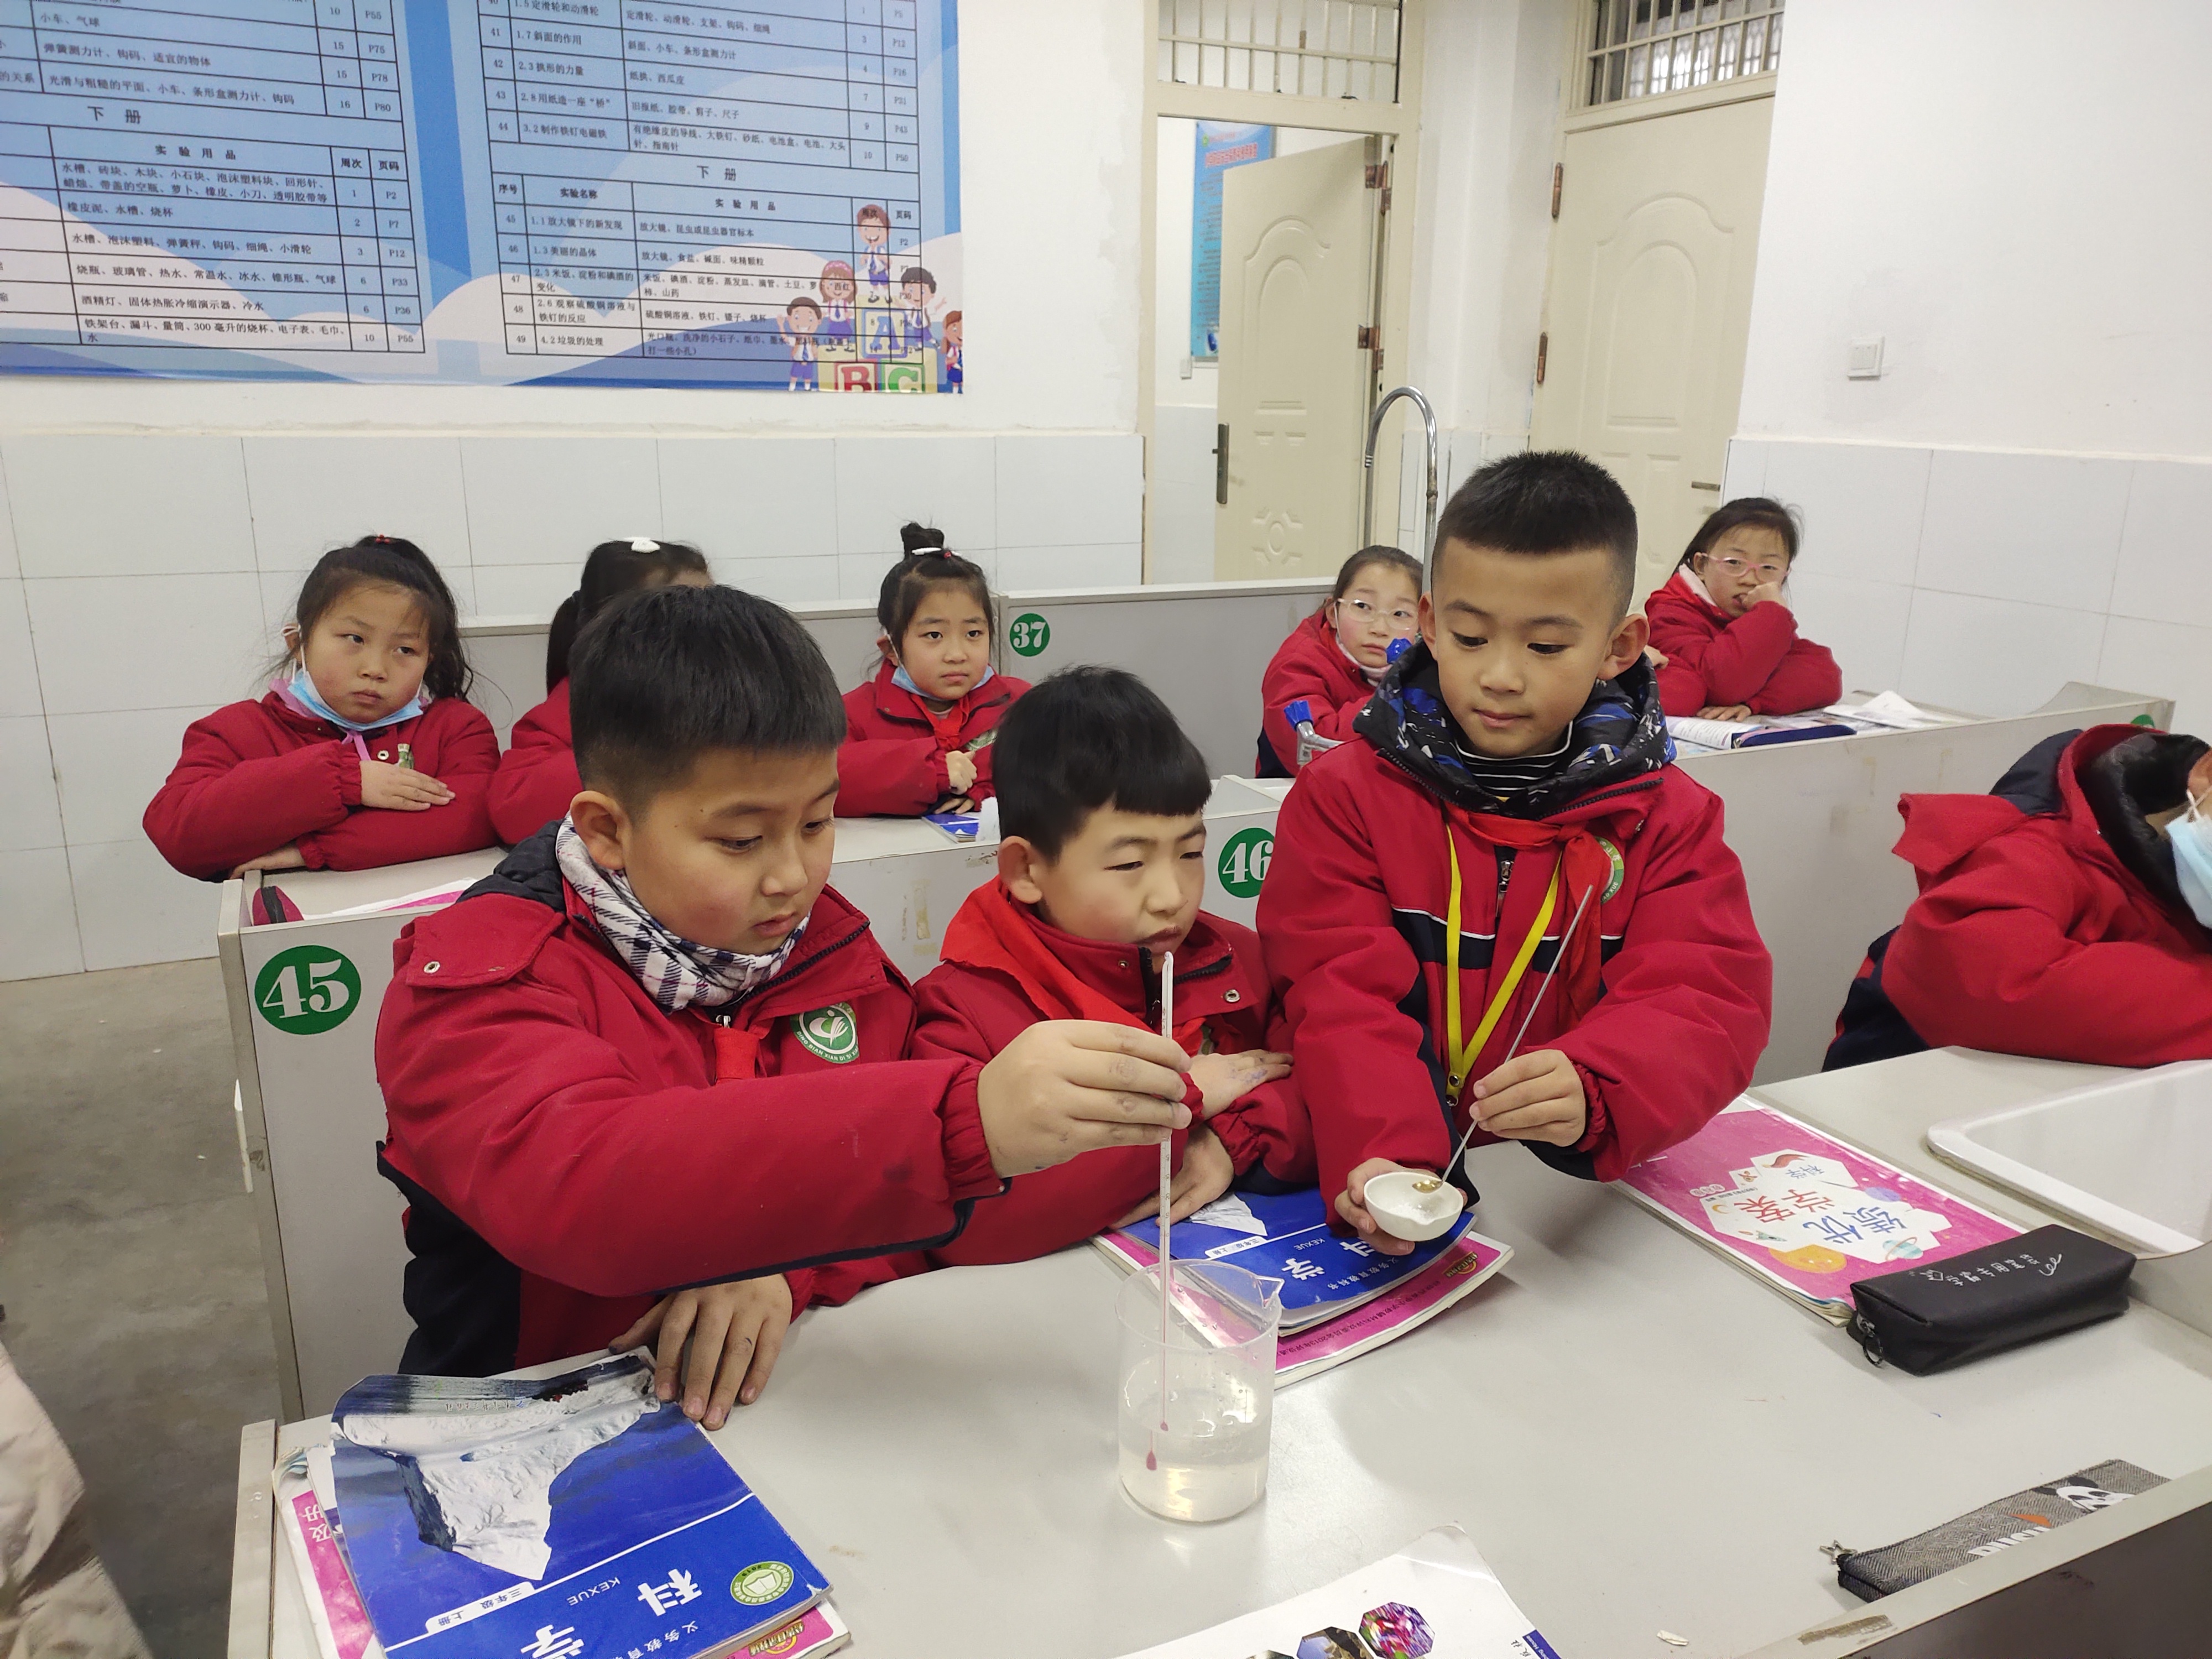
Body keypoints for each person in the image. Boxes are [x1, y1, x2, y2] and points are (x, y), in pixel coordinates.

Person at [375, 585, 1193, 1427]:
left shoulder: (828, 952)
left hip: (780, 1415)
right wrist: (959, 1122)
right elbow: (585, 1185)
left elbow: (905, 1218)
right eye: (740, 840)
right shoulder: (479, 978)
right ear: (607, 830)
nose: (792, 877)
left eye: (818, 822)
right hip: (532, 1432)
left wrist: (784, 1265)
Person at [1258, 452, 1771, 1254]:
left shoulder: (1666, 820)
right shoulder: (1347, 795)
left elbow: (1702, 998)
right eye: (1470, 637)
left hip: (1564, 1200)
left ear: (1620, 646)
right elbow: (1337, 993)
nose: (1499, 676)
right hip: (1380, 1167)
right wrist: (1389, 1153)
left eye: (1546, 647)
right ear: (1430, 625)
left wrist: (1600, 1083)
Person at [907, 667, 1309, 1266]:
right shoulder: (963, 1012)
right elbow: (964, 1226)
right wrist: (1186, 1103)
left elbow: (1328, 1086)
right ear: (1026, 871)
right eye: (1128, 865)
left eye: (1191, 853)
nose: (1171, 896)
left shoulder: (1238, 960)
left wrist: (1231, 1140)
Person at [1826, 724, 2212, 1070]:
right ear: (2207, 775)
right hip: (1906, 1095)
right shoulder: (2037, 848)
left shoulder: (2191, 881)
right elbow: (1988, 984)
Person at [144, 536, 496, 880]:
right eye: (355, 639)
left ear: (428, 660)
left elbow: (483, 814)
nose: (375, 669)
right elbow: (178, 833)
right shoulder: (236, 731)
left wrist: (313, 850)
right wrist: (344, 781)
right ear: (298, 643)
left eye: (405, 650)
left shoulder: (456, 727)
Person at [489, 538, 711, 844]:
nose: (715, 629)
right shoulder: (573, 707)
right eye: (686, 617)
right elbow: (514, 810)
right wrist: (651, 759)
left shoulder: (738, 695)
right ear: (612, 633)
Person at [837, 524, 1029, 817]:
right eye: (934, 635)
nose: (957, 655)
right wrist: (933, 770)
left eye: (973, 634)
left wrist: (987, 792)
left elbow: (1057, 774)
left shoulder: (1022, 704)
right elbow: (827, 783)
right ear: (892, 650)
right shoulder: (852, 715)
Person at [1644, 497, 1841, 720]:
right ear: (1701, 566)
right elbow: (1721, 683)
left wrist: (1754, 702)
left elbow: (1825, 674)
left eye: (1768, 567)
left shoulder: (1764, 618)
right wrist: (1771, 614)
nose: (1750, 579)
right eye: (1734, 563)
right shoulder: (1671, 612)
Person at [1256, 545, 1423, 776]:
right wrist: (1397, 696)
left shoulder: (1427, 665)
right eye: (1363, 607)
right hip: (1299, 789)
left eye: (1400, 614)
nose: (1379, 628)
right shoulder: (1297, 664)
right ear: (1332, 613)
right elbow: (1317, 749)